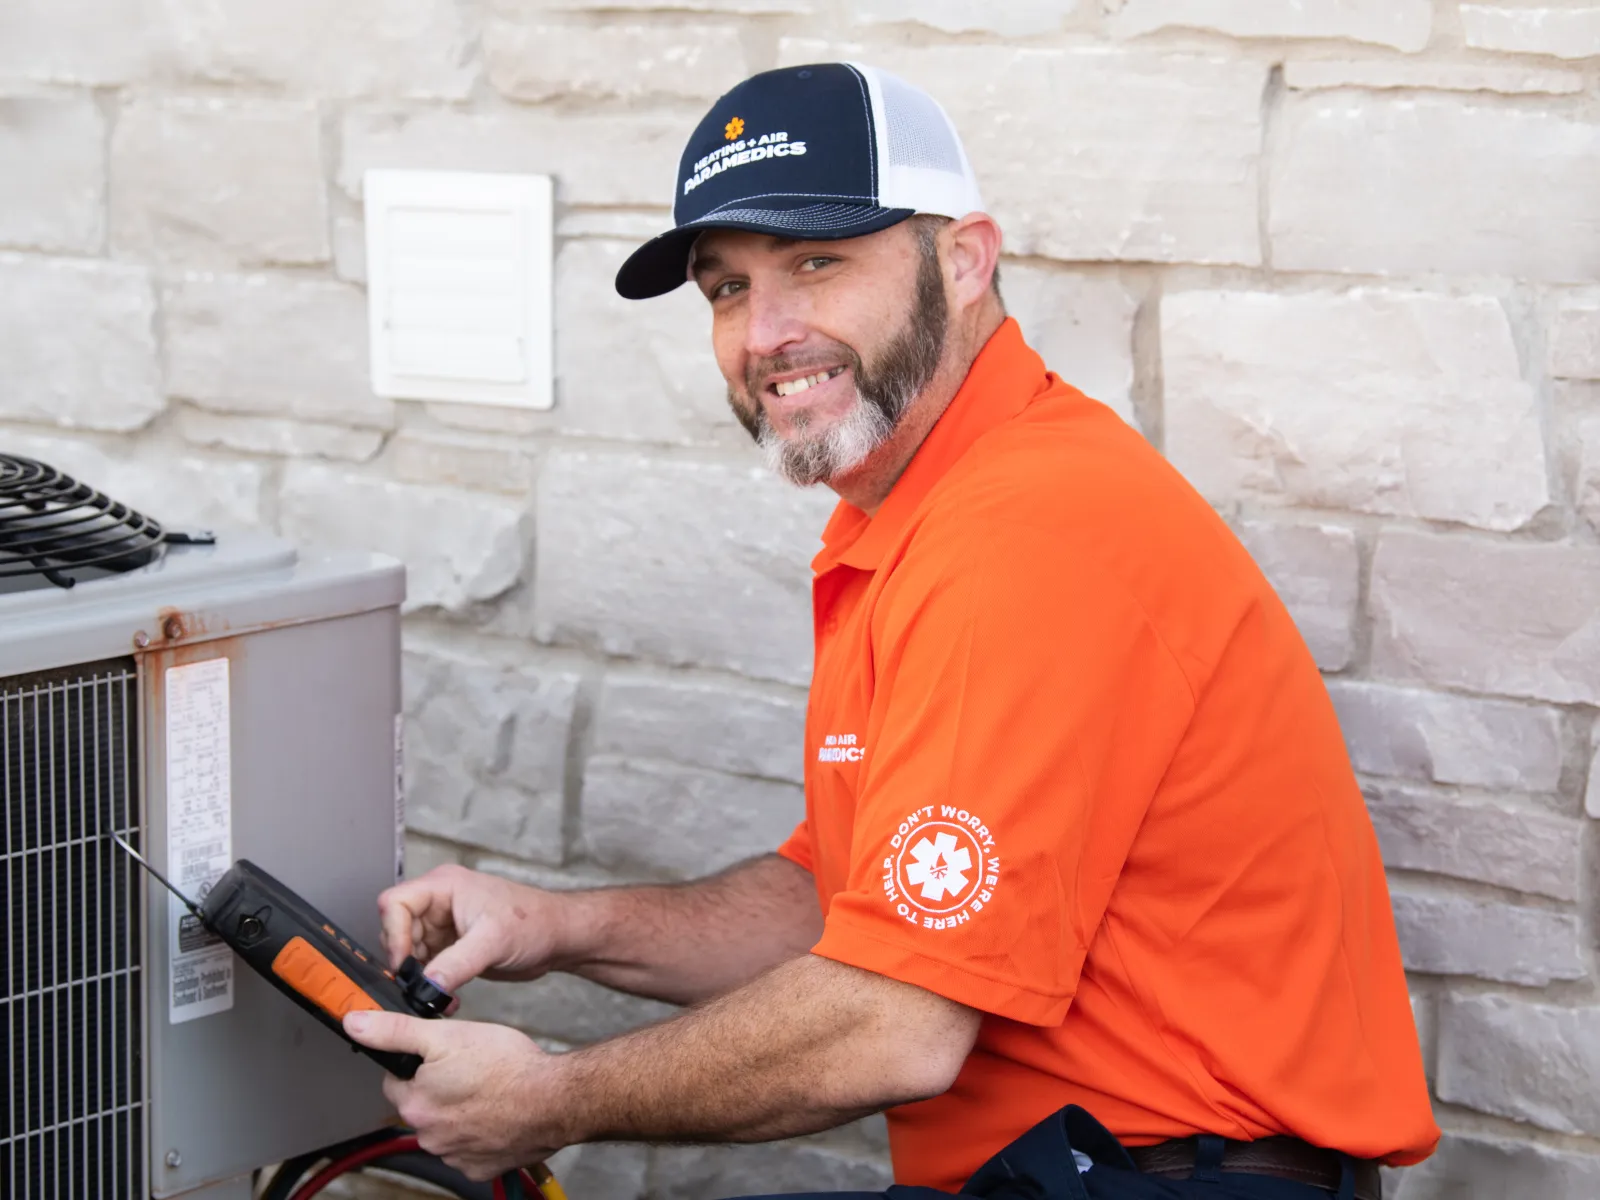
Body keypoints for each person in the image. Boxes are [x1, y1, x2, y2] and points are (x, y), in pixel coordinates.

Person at [345, 63, 1439, 1199]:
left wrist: (549, 1103)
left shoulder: (1028, 535)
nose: (765, 331)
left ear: (963, 260)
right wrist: (547, 927)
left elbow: (891, 1024)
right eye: (726, 289)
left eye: (816, 262)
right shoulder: (926, 515)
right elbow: (846, 908)